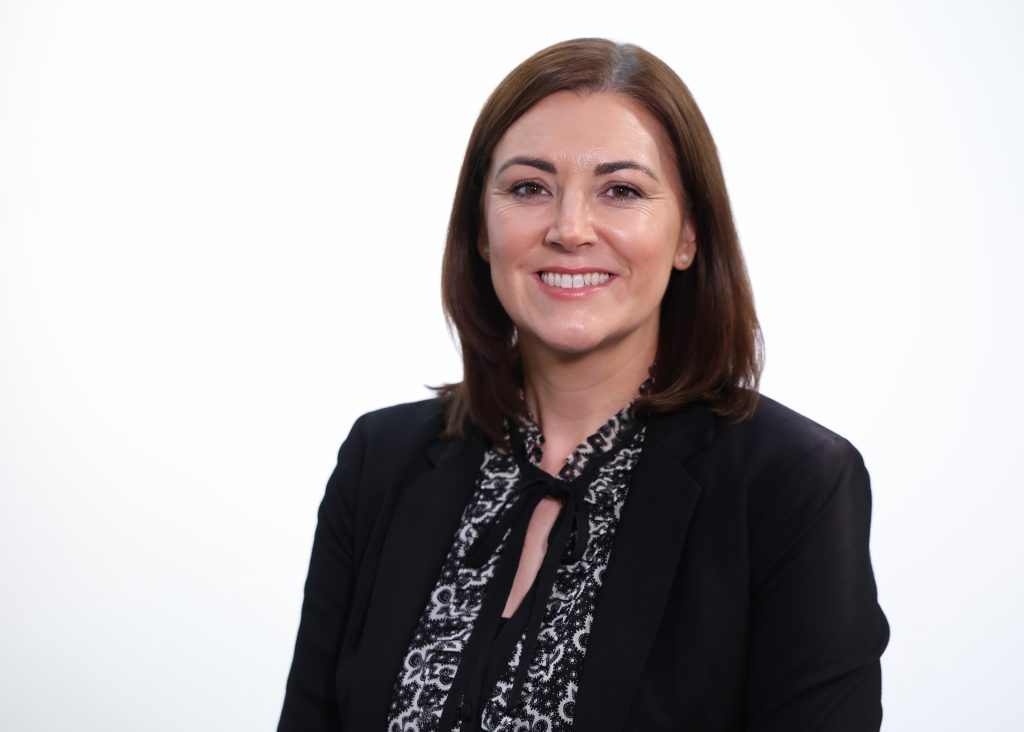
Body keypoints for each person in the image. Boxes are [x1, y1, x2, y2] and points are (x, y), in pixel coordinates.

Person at [278, 38, 889, 731]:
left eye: (621, 191)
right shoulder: (379, 460)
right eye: (529, 188)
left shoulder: (793, 484)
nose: (570, 230)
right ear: (482, 228)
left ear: (688, 233)